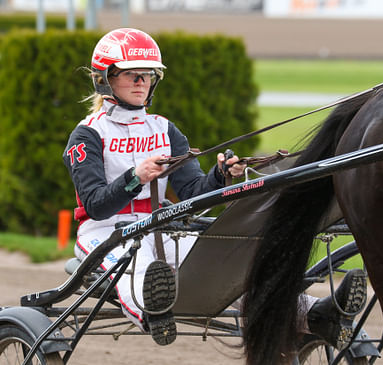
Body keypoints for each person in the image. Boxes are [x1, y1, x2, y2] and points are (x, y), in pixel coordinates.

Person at [63, 28, 367, 350]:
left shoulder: (164, 129)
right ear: (105, 79)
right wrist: (134, 177)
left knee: (229, 275)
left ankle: (317, 313)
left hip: (160, 230)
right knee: (136, 271)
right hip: (104, 234)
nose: (141, 82)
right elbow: (95, 205)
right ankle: (155, 309)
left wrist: (220, 176)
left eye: (148, 75)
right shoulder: (87, 136)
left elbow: (193, 192)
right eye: (130, 74)